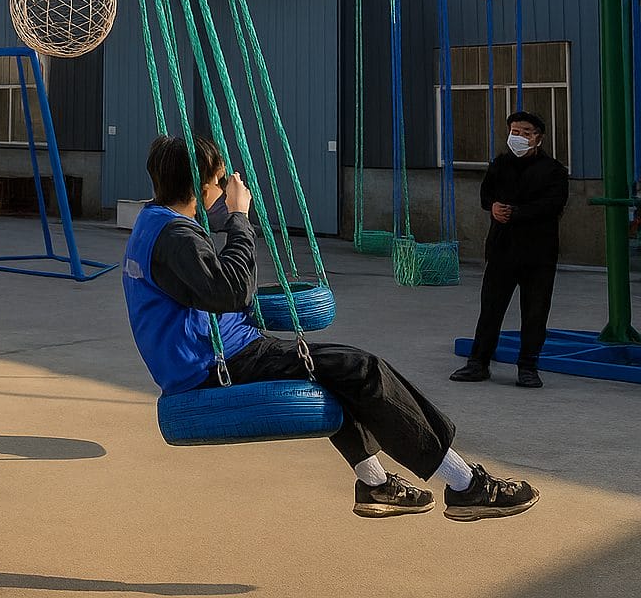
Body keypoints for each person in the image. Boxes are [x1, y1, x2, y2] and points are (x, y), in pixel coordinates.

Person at [124, 134, 539, 521]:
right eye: (218, 178)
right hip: (219, 363)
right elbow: (232, 292)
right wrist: (237, 217)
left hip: (215, 352)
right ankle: (466, 484)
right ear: (201, 183)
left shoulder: (152, 222)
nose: (224, 185)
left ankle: (376, 486)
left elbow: (201, 289)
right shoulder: (178, 235)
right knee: (364, 369)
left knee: (338, 373)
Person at [452, 111, 570, 388]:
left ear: (538, 138)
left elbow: (553, 205)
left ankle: (528, 366)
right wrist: (493, 207)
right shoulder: (500, 165)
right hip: (502, 249)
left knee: (535, 312)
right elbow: (486, 196)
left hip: (538, 253)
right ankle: (478, 363)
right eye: (514, 131)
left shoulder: (554, 171)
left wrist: (516, 213)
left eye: (525, 132)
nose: (518, 137)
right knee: (491, 308)